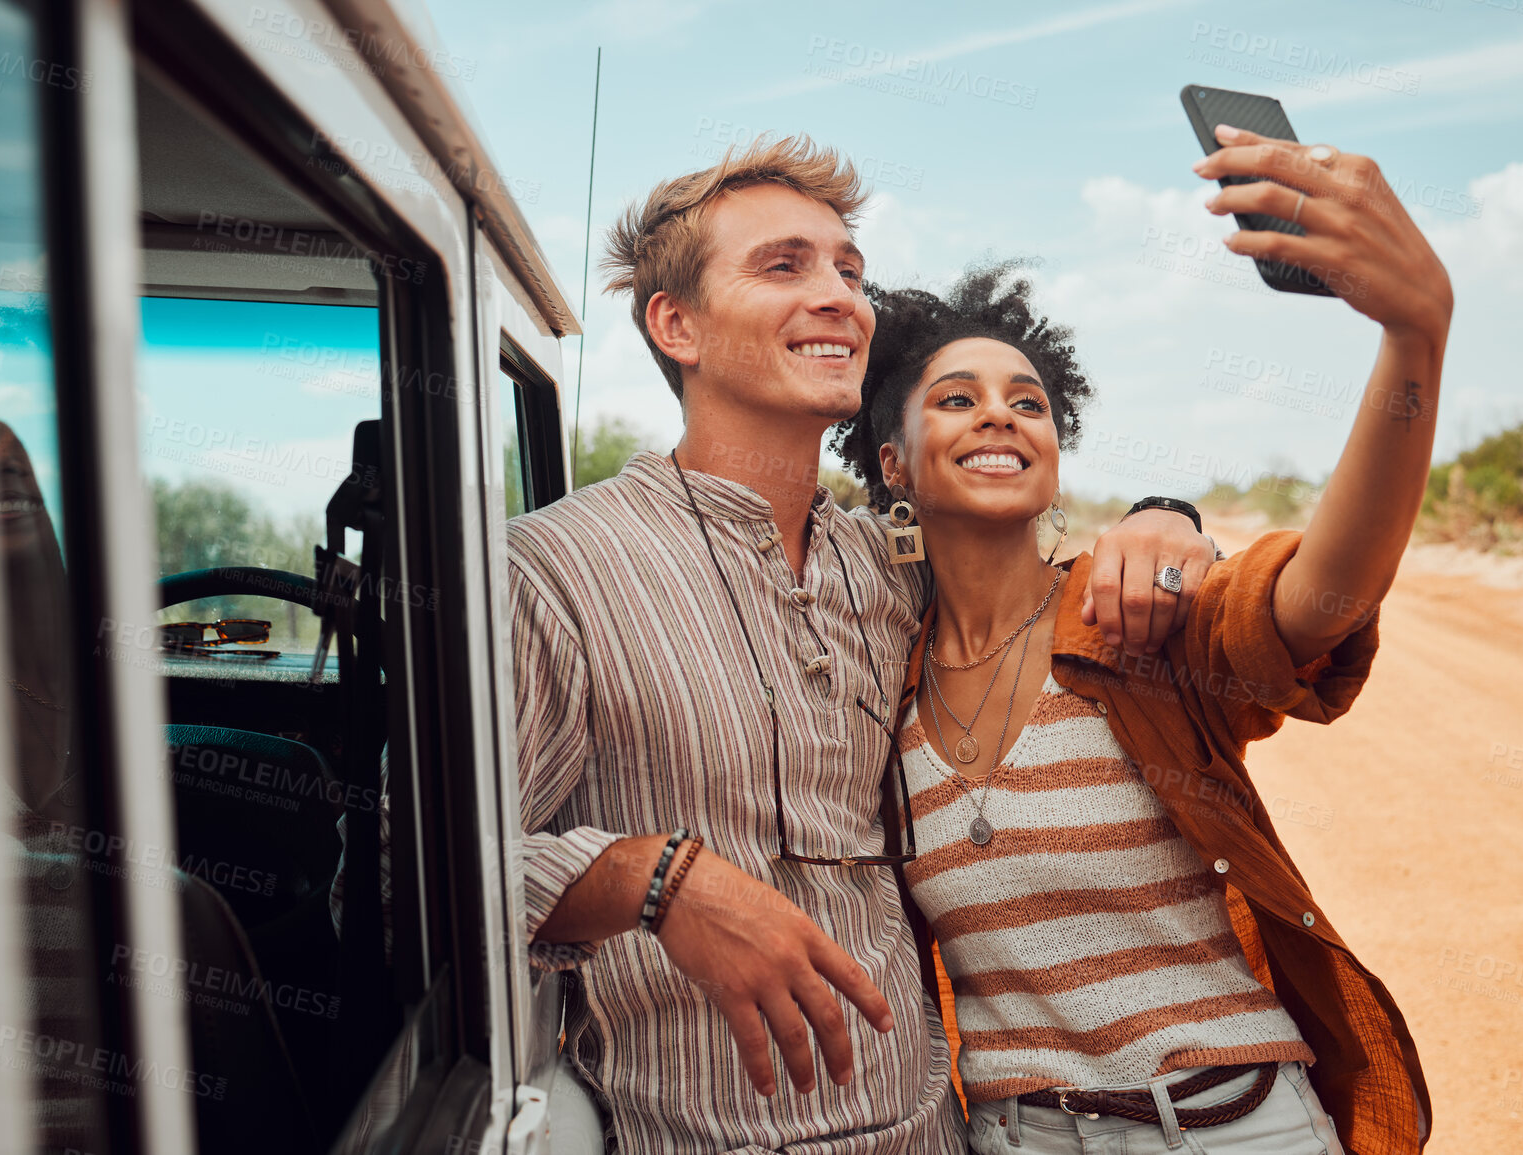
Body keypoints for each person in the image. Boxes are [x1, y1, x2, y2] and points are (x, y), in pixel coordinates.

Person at [508, 135, 1217, 1154]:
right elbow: (421, 872)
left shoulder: (889, 569)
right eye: (784, 265)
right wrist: (654, 879)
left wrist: (1168, 517)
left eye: (850, 269)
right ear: (677, 325)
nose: (842, 296)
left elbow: (1033, 557)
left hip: (934, 1132)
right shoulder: (555, 569)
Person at [833, 125, 1447, 1154]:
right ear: (894, 464)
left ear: (1054, 458)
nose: (1001, 416)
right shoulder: (877, 677)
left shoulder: (1137, 621)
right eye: (957, 400)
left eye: (1028, 402)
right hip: (1015, 1137)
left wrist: (1414, 337)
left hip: (1238, 1127)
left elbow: (1324, 597)